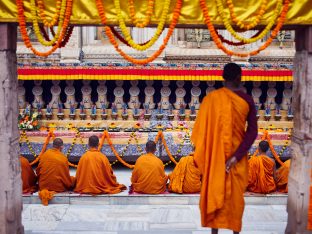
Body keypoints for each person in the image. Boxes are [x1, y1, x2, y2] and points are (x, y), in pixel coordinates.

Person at [191, 63, 258, 234]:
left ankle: (215, 232)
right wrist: (236, 156)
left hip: (215, 160)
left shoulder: (210, 99)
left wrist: (210, 155)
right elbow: (252, 132)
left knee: (215, 190)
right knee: (235, 201)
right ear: (238, 77)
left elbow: (200, 133)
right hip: (238, 158)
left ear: (223, 77)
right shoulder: (246, 99)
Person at [36, 138, 75, 205]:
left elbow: (38, 171)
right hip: (58, 187)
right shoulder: (63, 158)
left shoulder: (45, 154)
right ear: (62, 147)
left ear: (53, 145)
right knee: (73, 179)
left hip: (43, 185)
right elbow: (65, 176)